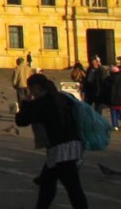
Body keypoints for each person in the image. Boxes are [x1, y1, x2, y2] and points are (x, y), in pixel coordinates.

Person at [14, 73, 88, 209]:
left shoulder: (41, 103)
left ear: (36, 87)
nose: (31, 92)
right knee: (48, 183)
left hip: (61, 149)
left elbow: (21, 120)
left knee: (71, 186)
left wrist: (24, 103)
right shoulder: (62, 97)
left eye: (31, 89)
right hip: (72, 144)